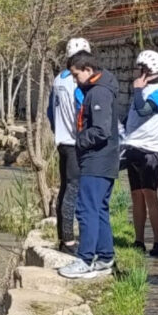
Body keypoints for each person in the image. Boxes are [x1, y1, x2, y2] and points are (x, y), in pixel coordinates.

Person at [58, 51, 120, 280]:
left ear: (88, 70)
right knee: (99, 209)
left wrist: (80, 141)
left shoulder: (99, 93)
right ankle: (104, 257)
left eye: (76, 75)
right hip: (102, 159)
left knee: (86, 210)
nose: (75, 80)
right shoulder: (97, 89)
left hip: (98, 159)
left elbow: (101, 130)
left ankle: (85, 258)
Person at [121, 50, 158, 257]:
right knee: (136, 196)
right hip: (133, 147)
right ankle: (139, 240)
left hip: (151, 151)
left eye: (143, 69)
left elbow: (144, 110)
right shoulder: (142, 90)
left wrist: (137, 91)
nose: (139, 73)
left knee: (150, 194)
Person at [48, 37, 90, 255]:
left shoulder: (58, 79)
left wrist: (58, 131)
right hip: (76, 142)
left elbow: (49, 112)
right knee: (73, 190)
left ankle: (61, 237)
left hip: (62, 141)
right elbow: (83, 111)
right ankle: (69, 241)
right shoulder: (77, 81)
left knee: (65, 188)